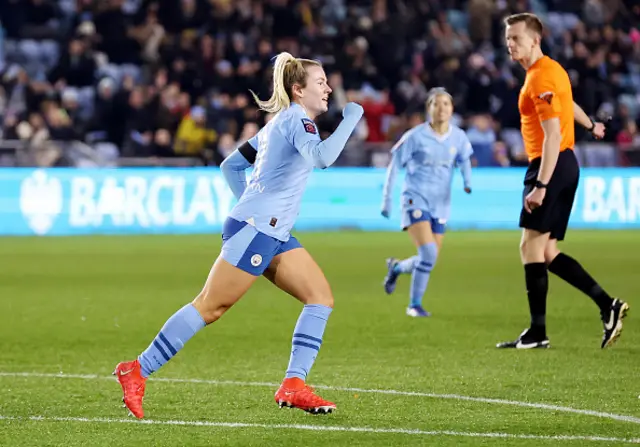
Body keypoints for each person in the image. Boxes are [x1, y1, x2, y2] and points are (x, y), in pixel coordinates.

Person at [113, 52, 364, 417]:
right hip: (257, 230)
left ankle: (293, 384)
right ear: (298, 90)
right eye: (321, 82)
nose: (328, 88)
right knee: (210, 306)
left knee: (320, 298)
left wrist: (250, 203)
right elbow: (323, 158)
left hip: (270, 231)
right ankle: (136, 370)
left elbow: (232, 165)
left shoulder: (279, 123)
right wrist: (350, 120)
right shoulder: (297, 121)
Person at [496, 13, 629, 349]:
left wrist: (540, 184)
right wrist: (590, 126)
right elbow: (568, 105)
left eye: (516, 38)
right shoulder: (551, 70)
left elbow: (552, 135)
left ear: (535, 40)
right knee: (546, 250)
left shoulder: (539, 79)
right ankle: (607, 305)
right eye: (508, 38)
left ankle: (538, 333)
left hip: (550, 164)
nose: (510, 44)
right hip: (565, 165)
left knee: (529, 247)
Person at [380, 88, 473, 317]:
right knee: (428, 254)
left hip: (440, 203)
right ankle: (414, 305)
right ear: (428, 109)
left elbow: (464, 159)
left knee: (428, 259)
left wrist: (467, 181)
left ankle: (397, 268)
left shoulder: (458, 137)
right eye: (436, 104)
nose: (441, 108)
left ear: (452, 109)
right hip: (415, 197)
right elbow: (394, 165)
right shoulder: (415, 136)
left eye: (446, 104)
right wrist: (386, 200)